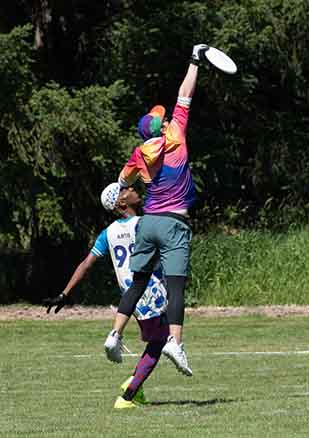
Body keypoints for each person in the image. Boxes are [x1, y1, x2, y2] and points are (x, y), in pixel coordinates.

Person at [103, 44, 208, 377]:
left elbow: (122, 180)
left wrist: (131, 175)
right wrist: (194, 60)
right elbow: (185, 95)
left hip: (147, 223)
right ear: (161, 127)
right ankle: (175, 343)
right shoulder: (175, 134)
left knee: (137, 283)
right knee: (176, 287)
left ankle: (115, 334)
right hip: (174, 223)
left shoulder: (139, 154)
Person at [43, 183, 171, 409]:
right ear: (121, 202)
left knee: (156, 340)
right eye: (126, 189)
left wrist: (64, 293)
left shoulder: (108, 233)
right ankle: (128, 395)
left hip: (130, 299)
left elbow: (85, 264)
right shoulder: (143, 224)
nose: (132, 188)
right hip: (152, 293)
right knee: (159, 341)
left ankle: (135, 387)